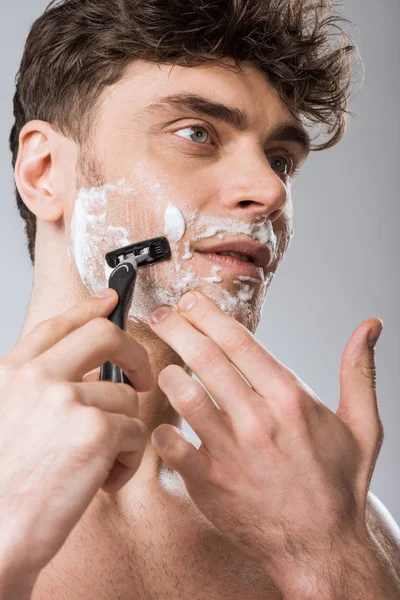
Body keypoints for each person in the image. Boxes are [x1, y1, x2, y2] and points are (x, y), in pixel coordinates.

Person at [1, 0, 399, 598]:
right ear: (44, 171)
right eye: (197, 133)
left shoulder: (338, 521)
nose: (269, 191)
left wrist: (329, 557)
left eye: (280, 160)